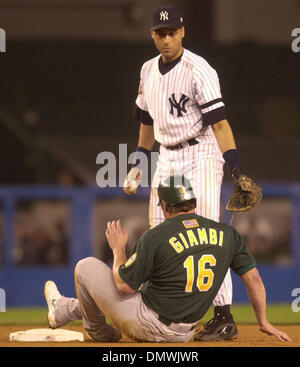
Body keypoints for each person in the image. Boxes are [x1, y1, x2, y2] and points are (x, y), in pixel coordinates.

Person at [123, 5, 256, 340]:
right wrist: (139, 163)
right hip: (167, 153)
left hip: (202, 149)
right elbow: (147, 122)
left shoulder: (200, 70)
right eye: (160, 33)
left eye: (171, 33)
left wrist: (237, 169)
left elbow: (221, 123)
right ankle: (157, 309)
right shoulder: (147, 70)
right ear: (152, 34)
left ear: (182, 32)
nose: (166, 39)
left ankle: (224, 316)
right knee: (158, 231)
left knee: (209, 233)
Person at [44, 176, 291, 343]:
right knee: (143, 282)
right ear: (193, 202)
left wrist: (119, 250)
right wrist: (264, 321)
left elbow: (123, 286)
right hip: (185, 333)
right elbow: (255, 280)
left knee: (85, 267)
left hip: (149, 325)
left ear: (164, 205)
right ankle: (63, 309)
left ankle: (97, 332)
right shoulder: (228, 234)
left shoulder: (157, 235)